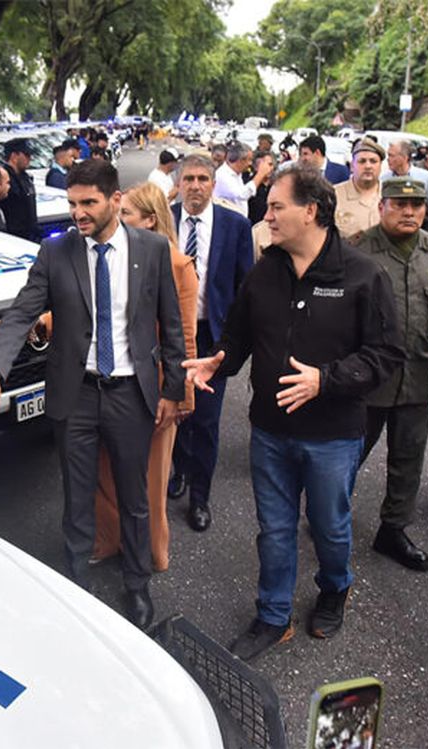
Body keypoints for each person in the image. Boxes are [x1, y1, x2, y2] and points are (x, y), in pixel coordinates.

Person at [182, 164, 403, 660]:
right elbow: (237, 335)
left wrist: (325, 380)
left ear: (312, 211)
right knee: (275, 528)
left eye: (277, 206)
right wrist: (219, 362)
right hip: (270, 431)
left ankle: (334, 587)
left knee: (329, 526)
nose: (268, 215)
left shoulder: (364, 275)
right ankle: (273, 614)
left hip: (333, 436)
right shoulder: (266, 271)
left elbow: (387, 356)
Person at [0, 159, 186, 631]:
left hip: (132, 393)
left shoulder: (152, 249)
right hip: (76, 395)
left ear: (116, 200)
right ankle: (76, 582)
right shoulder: (56, 254)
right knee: (76, 496)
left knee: (135, 497)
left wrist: (173, 390)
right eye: (73, 203)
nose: (78, 213)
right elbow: (20, 315)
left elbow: (172, 326)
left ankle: (137, 584)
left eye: (88, 203)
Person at [353, 177, 428, 573]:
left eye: (416, 206)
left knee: (408, 460)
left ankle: (393, 529)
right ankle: (327, 516)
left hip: (417, 375)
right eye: (399, 204)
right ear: (382, 206)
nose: (409, 212)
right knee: (347, 455)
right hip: (365, 380)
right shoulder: (357, 250)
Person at [91, 182, 198, 571]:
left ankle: (153, 553)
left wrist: (181, 395)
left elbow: (184, 336)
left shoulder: (176, 263)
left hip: (154, 389)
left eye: (127, 215)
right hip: (108, 383)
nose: (117, 221)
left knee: (152, 479)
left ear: (150, 221)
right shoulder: (111, 254)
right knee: (104, 467)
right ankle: (109, 539)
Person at [169, 154, 255, 532]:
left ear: (213, 184)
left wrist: (233, 342)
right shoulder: (164, 221)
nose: (196, 186)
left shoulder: (235, 226)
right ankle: (179, 469)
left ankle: (199, 497)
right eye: (189, 178)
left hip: (211, 336)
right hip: (170, 335)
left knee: (205, 419)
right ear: (179, 182)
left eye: (203, 178)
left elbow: (244, 288)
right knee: (173, 411)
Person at [334, 139, 384, 240]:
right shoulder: (333, 195)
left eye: (373, 161)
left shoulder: (390, 195)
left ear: (380, 166)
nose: (368, 166)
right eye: (362, 161)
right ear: (352, 166)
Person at [382, 140, 428, 220]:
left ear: (404, 157)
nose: (388, 159)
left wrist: (419, 216)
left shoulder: (424, 177)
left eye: (391, 155)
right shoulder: (383, 178)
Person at [213, 141, 273, 217]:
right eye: (249, 160)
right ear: (241, 160)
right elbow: (242, 195)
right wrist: (260, 174)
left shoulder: (237, 175)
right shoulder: (223, 175)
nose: (250, 163)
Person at [0, 138, 39, 241]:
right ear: (14, 156)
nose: (30, 159)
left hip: (30, 234)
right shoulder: (2, 178)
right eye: (26, 155)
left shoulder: (25, 177)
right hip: (13, 236)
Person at [247, 150, 276, 225]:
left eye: (271, 165)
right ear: (256, 167)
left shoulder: (275, 186)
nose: (269, 168)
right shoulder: (249, 186)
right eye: (265, 165)